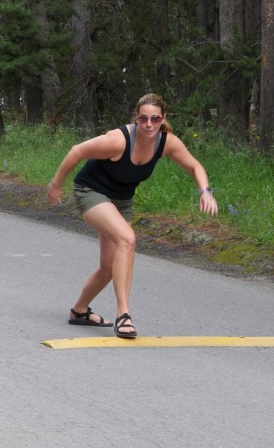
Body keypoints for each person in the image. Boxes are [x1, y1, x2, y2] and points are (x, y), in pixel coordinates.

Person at [46, 93, 218, 338]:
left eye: (155, 119)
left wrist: (205, 191)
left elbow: (194, 166)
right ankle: (123, 314)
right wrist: (55, 184)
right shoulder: (118, 141)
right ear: (136, 119)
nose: (149, 125)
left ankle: (79, 310)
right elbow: (77, 151)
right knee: (127, 239)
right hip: (91, 192)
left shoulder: (166, 142)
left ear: (163, 119)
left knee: (108, 267)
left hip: (121, 201)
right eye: (144, 119)